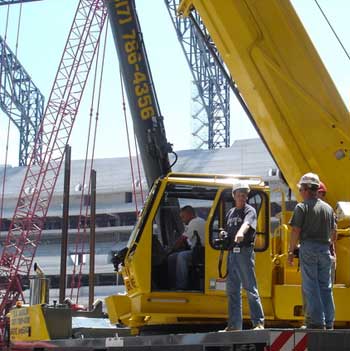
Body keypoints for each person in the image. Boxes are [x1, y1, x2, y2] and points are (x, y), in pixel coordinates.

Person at [288, 173, 336, 329]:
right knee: (325, 286)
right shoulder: (328, 208)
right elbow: (333, 233)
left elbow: (295, 230)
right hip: (324, 249)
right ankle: (328, 322)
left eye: (301, 188)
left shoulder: (302, 207)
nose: (300, 191)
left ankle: (316, 321)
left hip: (308, 248)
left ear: (307, 189)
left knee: (311, 285)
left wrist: (291, 250)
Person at [221, 182, 264, 331]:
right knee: (232, 290)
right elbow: (228, 230)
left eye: (244, 195)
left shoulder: (249, 210)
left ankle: (258, 323)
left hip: (244, 252)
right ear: (234, 196)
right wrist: (224, 235)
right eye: (239, 195)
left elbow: (247, 224)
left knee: (250, 288)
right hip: (232, 253)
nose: (242, 197)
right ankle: (234, 325)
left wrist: (241, 232)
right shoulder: (230, 212)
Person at [168, 205, 205, 289]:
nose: (182, 220)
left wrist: (171, 249)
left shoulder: (194, 222)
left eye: (183, 217)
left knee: (181, 256)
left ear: (190, 214)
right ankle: (173, 283)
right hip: (200, 250)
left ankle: (181, 285)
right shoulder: (199, 221)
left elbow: (182, 239)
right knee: (173, 257)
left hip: (200, 252)